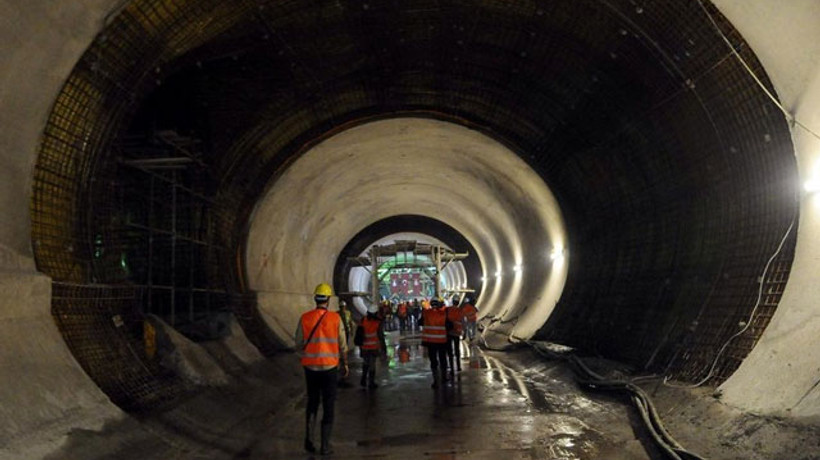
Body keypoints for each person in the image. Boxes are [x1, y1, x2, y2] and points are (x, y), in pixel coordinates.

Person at [294, 283, 348, 455]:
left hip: (310, 368)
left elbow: (298, 343)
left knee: (312, 402)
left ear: (315, 298)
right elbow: (342, 344)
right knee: (329, 404)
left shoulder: (304, 318)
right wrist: (345, 363)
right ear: (329, 299)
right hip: (329, 367)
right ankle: (325, 445)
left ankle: (309, 441)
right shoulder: (335, 318)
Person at [421, 297, 448, 388]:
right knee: (442, 359)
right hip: (441, 341)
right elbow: (449, 325)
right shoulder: (443, 314)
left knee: (433, 361)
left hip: (430, 341)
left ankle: (436, 380)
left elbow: (419, 322)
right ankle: (444, 377)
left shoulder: (426, 313)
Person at [360, 304, 386, 389]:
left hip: (364, 347)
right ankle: (371, 382)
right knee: (372, 365)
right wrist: (383, 348)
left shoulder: (363, 320)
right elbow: (380, 336)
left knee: (365, 363)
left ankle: (363, 379)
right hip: (373, 347)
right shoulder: (377, 322)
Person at [337, 300, 355, 388]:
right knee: (341, 344)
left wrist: (351, 330)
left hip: (346, 330)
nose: (342, 308)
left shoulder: (348, 313)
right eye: (341, 307)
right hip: (340, 331)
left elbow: (350, 321)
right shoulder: (337, 314)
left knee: (345, 343)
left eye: (343, 307)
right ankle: (343, 355)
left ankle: (344, 353)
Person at [446, 296, 464, 375]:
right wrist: (465, 332)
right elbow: (463, 322)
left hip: (449, 332)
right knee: (457, 349)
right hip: (457, 332)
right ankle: (458, 366)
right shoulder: (460, 310)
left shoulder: (448, 309)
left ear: (452, 302)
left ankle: (451, 367)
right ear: (458, 302)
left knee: (449, 350)